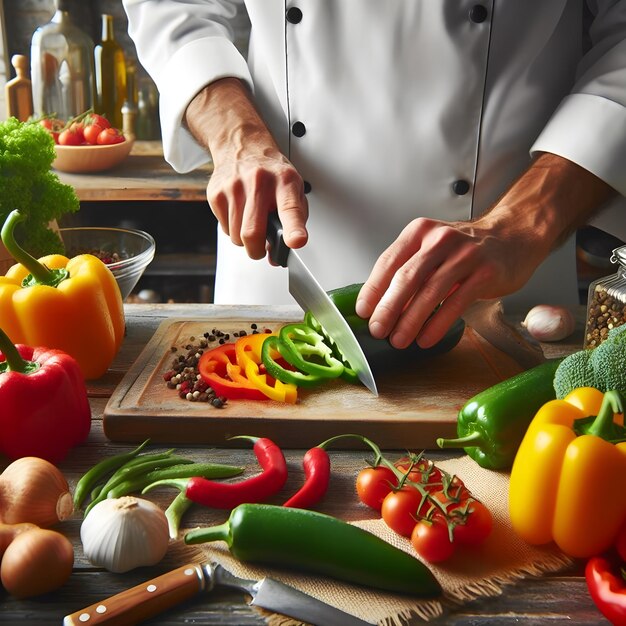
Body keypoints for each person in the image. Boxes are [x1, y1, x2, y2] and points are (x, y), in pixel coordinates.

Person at [122, 1, 626, 348]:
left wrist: (524, 224)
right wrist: (237, 138)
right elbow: (175, 8)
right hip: (278, 256)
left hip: (501, 279)